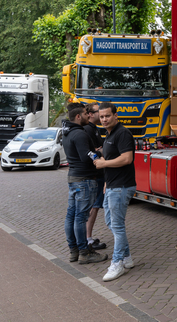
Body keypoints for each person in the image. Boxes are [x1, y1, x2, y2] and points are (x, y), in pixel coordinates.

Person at [94, 102, 136, 282]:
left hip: (121, 186)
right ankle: (127, 258)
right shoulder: (108, 134)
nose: (104, 119)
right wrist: (106, 182)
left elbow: (127, 158)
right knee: (111, 222)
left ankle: (117, 263)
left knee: (117, 226)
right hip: (111, 185)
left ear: (115, 115)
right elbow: (113, 159)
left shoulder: (123, 133)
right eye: (101, 116)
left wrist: (103, 163)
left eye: (107, 116)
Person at [62, 103, 108, 265]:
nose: (89, 116)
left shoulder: (66, 133)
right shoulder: (80, 134)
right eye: (85, 113)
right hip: (85, 180)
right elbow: (86, 156)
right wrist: (99, 153)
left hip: (73, 178)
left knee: (71, 215)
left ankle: (73, 251)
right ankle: (84, 252)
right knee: (81, 217)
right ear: (78, 116)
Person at [84, 102, 107, 250]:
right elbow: (93, 151)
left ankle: (88, 238)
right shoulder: (88, 130)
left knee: (95, 207)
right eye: (99, 111)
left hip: (97, 174)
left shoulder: (95, 129)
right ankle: (88, 239)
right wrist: (99, 151)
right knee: (93, 207)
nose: (102, 114)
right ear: (91, 114)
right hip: (94, 175)